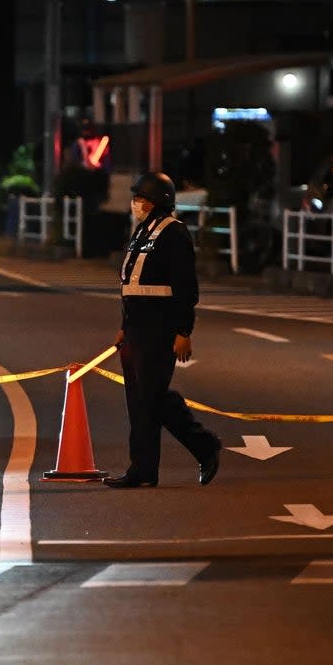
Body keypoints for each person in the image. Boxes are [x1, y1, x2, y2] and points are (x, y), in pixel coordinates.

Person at [104, 171, 223, 489]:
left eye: (141, 198)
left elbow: (186, 287)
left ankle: (204, 445)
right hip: (136, 331)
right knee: (138, 400)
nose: (135, 203)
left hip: (160, 330)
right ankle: (143, 468)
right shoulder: (141, 233)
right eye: (135, 198)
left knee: (152, 397)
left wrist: (184, 331)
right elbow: (130, 285)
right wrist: (123, 328)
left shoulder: (174, 234)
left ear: (158, 203)